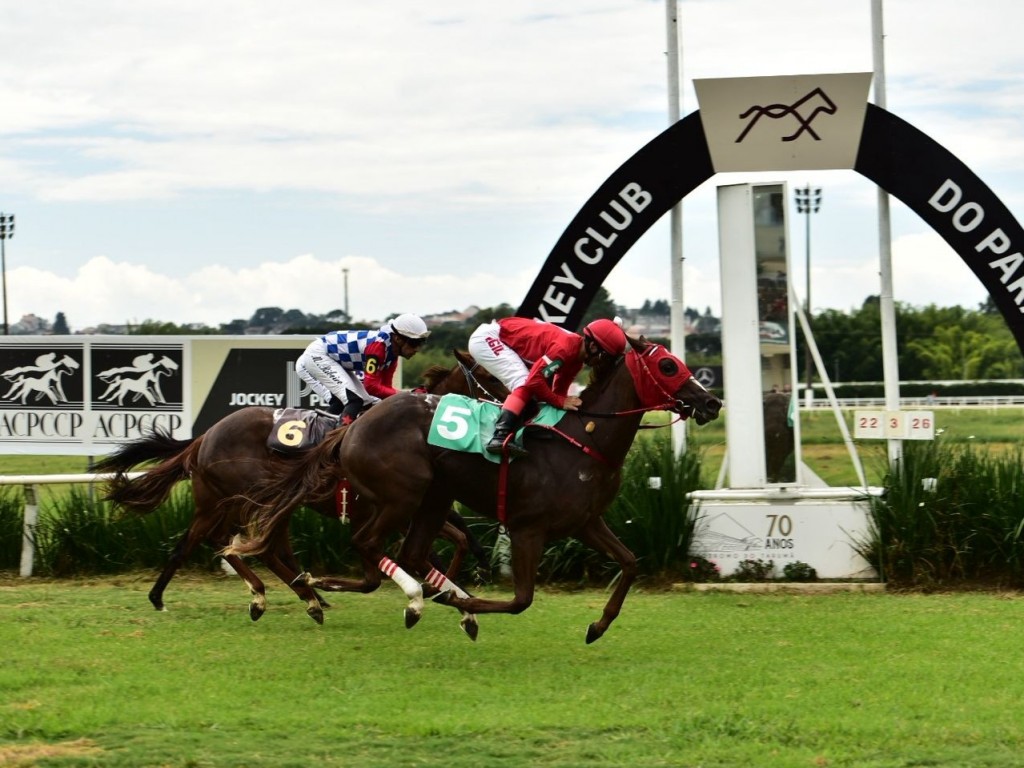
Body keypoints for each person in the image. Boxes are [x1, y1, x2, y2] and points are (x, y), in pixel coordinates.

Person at [467, 316, 627, 458]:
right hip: (488, 338)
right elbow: (534, 381)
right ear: (593, 347)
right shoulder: (565, 349)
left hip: (503, 335)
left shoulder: (576, 361)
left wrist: (560, 404)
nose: (604, 363)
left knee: (535, 389)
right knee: (524, 383)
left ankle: (528, 430)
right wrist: (559, 401)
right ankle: (500, 436)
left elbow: (559, 392)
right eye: (606, 357)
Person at [295, 313, 430, 423]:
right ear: (398, 339)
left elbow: (383, 390)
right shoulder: (378, 347)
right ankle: (328, 444)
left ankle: (322, 435)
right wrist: (408, 395)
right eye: (414, 343)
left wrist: (407, 395)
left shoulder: (392, 355)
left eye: (421, 343)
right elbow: (371, 387)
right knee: (354, 400)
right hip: (318, 355)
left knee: (365, 403)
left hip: (331, 359)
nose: (417, 349)